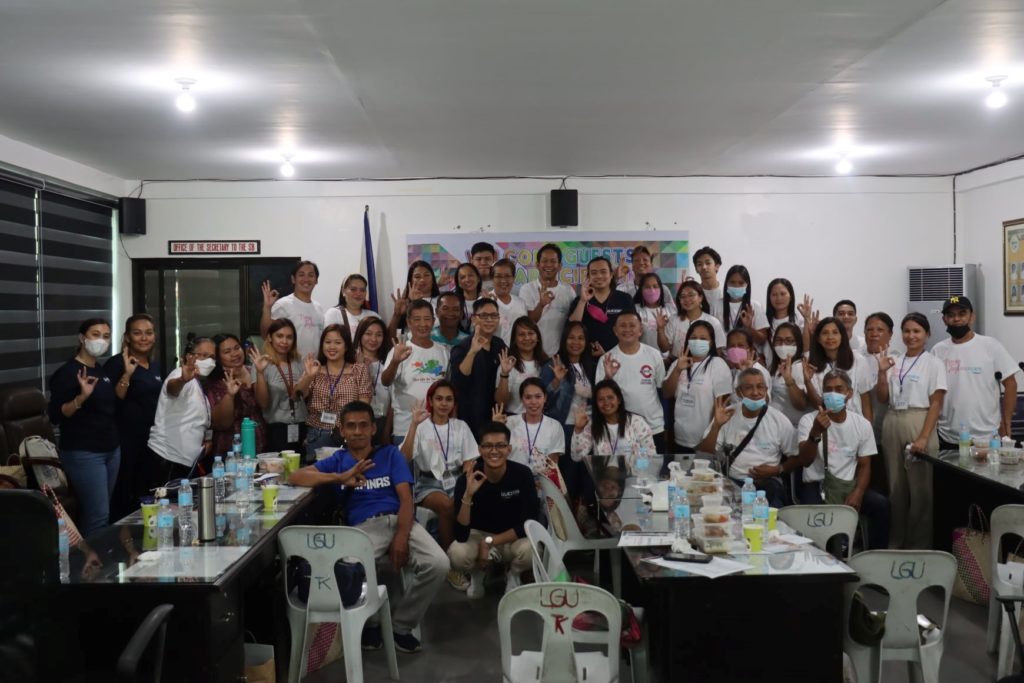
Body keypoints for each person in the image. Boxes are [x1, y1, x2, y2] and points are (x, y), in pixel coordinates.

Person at [289, 401, 448, 654]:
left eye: (364, 425)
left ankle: (400, 626)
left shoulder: (390, 455)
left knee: (439, 564)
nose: (357, 431)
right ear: (342, 431)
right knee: (349, 570)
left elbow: (406, 499)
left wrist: (401, 537)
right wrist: (339, 478)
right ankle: (372, 622)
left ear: (373, 428)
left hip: (399, 519)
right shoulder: (338, 461)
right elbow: (295, 476)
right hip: (364, 528)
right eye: (351, 426)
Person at [795, 370, 890, 550]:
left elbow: (864, 465)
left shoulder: (862, 424)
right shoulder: (808, 421)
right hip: (817, 486)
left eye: (839, 389)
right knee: (821, 529)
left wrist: (858, 492)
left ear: (849, 393)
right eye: (828, 389)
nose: (833, 394)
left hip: (848, 487)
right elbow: (805, 461)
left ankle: (875, 556)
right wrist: (815, 432)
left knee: (881, 505)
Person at [876, 313, 947, 549]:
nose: (911, 336)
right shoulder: (894, 361)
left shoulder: (933, 363)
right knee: (896, 489)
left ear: (927, 334)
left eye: (917, 331)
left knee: (921, 492)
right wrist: (881, 373)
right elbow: (883, 397)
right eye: (907, 331)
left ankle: (919, 546)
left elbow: (936, 402)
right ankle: (897, 544)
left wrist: (924, 436)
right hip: (893, 420)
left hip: (920, 420)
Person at [399, 380, 479, 589]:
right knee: (446, 505)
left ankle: (472, 556)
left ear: (454, 403)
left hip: (457, 478)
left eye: (449, 399)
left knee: (471, 499)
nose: (444, 404)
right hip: (428, 481)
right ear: (431, 402)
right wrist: (413, 426)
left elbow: (470, 459)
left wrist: (465, 481)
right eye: (439, 399)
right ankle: (450, 563)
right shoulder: (421, 425)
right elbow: (403, 458)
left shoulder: (461, 426)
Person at [449, 421, 540, 598]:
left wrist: (490, 542)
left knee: (532, 549)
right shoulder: (467, 478)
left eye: (500, 445)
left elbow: (530, 522)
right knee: (457, 553)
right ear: (480, 450)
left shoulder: (522, 474)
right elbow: (460, 534)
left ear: (509, 449)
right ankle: (477, 573)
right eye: (488, 446)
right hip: (477, 536)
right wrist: (468, 495)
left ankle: (513, 574)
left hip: (510, 537)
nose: (494, 451)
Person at [48, 318, 119, 534]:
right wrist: (81, 398)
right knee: (98, 516)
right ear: (82, 338)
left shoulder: (100, 369)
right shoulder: (68, 373)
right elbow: (57, 415)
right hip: (85, 453)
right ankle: (92, 565)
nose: (101, 340)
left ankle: (97, 561)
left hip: (111, 449)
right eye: (95, 335)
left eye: (106, 336)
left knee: (104, 511)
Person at [696, 368, 798, 507]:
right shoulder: (728, 414)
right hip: (733, 483)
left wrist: (777, 469)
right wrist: (716, 426)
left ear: (766, 389)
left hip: (767, 485)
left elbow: (797, 457)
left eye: (760, 387)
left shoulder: (779, 419)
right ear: (739, 392)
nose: (755, 392)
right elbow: (704, 454)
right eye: (748, 388)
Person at [932, 296, 1019, 447]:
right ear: (944, 320)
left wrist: (1006, 422)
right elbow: (933, 394)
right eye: (951, 315)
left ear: (972, 317)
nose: (956, 319)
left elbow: (1010, 384)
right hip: (947, 436)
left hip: (987, 437)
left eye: (962, 314)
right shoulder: (937, 351)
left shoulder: (991, 346)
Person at [105, 313, 162, 519]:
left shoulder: (153, 365)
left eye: (148, 333)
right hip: (125, 440)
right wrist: (127, 374)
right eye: (137, 333)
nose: (144, 338)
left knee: (145, 493)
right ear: (127, 337)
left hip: (150, 440)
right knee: (124, 496)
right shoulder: (117, 363)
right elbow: (114, 398)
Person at [539, 321, 596, 500]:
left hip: (588, 429)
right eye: (571, 337)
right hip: (564, 429)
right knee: (567, 482)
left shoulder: (592, 365)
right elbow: (543, 401)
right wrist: (557, 381)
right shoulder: (553, 364)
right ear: (564, 340)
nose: (576, 342)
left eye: (580, 338)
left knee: (587, 481)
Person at [149, 335, 215, 481]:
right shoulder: (179, 374)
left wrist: (207, 440)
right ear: (189, 357)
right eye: (204, 355)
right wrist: (182, 380)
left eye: (212, 356)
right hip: (168, 456)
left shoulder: (198, 384)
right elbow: (172, 388)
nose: (209, 361)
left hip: (186, 460)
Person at [382, 300, 449, 444]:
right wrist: (395, 361)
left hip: (436, 427)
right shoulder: (399, 349)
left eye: (427, 319)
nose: (422, 324)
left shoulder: (443, 351)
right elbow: (385, 381)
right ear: (408, 322)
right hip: (405, 427)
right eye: (417, 319)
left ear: (433, 321)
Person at [595, 311, 667, 445]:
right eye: (622, 325)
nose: (627, 329)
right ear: (615, 331)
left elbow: (662, 388)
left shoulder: (654, 355)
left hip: (653, 427)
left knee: (648, 465)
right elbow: (600, 397)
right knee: (626, 466)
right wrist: (608, 377)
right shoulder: (606, 359)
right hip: (621, 430)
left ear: (640, 330)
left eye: (632, 325)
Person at [664, 321, 732, 457]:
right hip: (679, 437)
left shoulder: (717, 364)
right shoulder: (679, 362)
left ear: (711, 342)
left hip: (705, 440)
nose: (697, 341)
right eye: (693, 338)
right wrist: (677, 369)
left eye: (703, 338)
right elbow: (666, 393)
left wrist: (711, 436)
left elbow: (722, 404)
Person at [303, 324, 373, 459]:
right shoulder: (315, 369)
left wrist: (347, 427)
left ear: (346, 346)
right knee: (319, 477)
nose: (332, 347)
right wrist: (309, 376)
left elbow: (364, 406)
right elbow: (298, 395)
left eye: (338, 342)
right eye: (327, 342)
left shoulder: (359, 370)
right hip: (317, 433)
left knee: (349, 475)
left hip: (349, 434)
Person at [449, 298, 506, 438]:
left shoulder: (500, 345)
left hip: (494, 418)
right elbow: (458, 383)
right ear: (474, 319)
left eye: (494, 316)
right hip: (469, 420)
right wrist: (473, 352)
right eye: (484, 316)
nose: (489, 320)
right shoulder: (462, 347)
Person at [257, 319, 315, 453]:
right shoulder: (262, 363)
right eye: (279, 336)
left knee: (301, 468)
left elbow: (301, 396)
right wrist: (260, 372)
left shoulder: (298, 361)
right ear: (270, 337)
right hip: (276, 428)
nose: (284, 341)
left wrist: (308, 377)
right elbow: (262, 403)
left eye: (289, 337)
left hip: (300, 424)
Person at [205, 334, 269, 456]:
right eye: (227, 351)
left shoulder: (253, 370)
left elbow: (264, 403)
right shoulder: (216, 383)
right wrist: (230, 395)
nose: (235, 354)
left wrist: (260, 373)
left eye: (237, 348)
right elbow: (222, 423)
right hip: (232, 451)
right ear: (218, 358)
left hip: (261, 446)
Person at [803, 317, 875, 421]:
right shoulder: (812, 365)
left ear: (842, 336)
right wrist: (807, 382)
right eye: (825, 333)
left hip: (855, 421)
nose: (830, 337)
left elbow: (865, 398)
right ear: (818, 338)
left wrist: (869, 427)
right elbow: (817, 404)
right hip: (825, 421)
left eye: (835, 332)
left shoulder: (858, 360)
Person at [571, 379, 657, 462]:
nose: (606, 402)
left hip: (635, 474)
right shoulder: (592, 424)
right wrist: (578, 429)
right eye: (601, 399)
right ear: (596, 403)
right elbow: (577, 457)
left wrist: (635, 473)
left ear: (619, 399)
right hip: (605, 475)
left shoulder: (636, 422)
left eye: (610, 397)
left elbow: (650, 454)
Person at [497, 378, 566, 475]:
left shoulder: (554, 426)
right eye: (528, 397)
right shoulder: (508, 423)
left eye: (538, 397)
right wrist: (496, 428)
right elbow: (498, 455)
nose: (533, 402)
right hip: (512, 479)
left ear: (545, 398)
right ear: (521, 399)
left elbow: (553, 464)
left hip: (542, 483)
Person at [569, 256, 636, 355]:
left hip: (619, 358)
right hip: (587, 359)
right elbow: (571, 328)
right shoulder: (580, 300)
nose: (599, 276)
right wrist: (583, 301)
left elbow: (633, 329)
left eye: (603, 271)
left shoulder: (625, 299)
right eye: (594, 273)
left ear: (611, 274)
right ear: (588, 277)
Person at [520, 243, 576, 357]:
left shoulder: (568, 290)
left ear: (559, 266)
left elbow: (573, 324)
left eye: (553, 261)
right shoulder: (527, 289)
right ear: (537, 264)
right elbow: (527, 323)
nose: (549, 265)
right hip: (534, 354)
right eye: (545, 261)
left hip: (562, 355)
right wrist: (541, 304)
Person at [260, 260, 325, 357]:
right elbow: (266, 335)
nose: (306, 279)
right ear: (293, 279)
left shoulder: (318, 308)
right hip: (289, 368)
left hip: (312, 368)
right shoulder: (283, 304)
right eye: (301, 275)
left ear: (316, 280)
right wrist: (267, 308)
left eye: (311, 275)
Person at [495, 317, 548, 415]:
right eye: (521, 334)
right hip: (514, 421)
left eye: (531, 333)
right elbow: (501, 403)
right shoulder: (507, 364)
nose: (527, 338)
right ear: (514, 339)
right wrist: (504, 374)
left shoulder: (546, 364)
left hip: (541, 422)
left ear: (538, 337)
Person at [354, 317, 393, 445]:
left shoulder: (388, 362)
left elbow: (393, 400)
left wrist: (387, 430)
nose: (373, 339)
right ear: (360, 334)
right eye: (368, 334)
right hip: (357, 422)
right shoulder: (350, 362)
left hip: (383, 420)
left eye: (379, 335)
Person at [663, 280, 727, 355]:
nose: (687, 299)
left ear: (700, 297)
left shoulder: (712, 322)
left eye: (691, 295)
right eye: (683, 296)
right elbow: (664, 348)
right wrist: (660, 329)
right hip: (678, 363)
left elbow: (718, 349)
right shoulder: (674, 319)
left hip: (704, 364)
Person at [768, 323, 809, 426]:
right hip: (776, 426)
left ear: (798, 344)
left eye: (789, 341)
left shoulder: (799, 367)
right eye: (779, 340)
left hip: (794, 427)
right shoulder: (773, 368)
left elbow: (801, 405)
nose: (783, 345)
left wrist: (789, 380)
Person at [388, 260, 441, 340]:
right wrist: (397, 314)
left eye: (426, 275)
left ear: (433, 278)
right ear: (411, 281)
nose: (422, 280)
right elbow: (390, 337)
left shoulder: (442, 301)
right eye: (417, 277)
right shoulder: (404, 303)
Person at [616, 245, 676, 313]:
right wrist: (616, 279)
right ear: (632, 266)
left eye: (645, 260)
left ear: (651, 265)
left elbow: (673, 313)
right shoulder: (622, 289)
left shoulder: (663, 289)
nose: (641, 263)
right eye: (637, 260)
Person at [720, 264, 769, 345]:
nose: (736, 286)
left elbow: (762, 340)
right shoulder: (716, 305)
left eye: (741, 283)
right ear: (726, 283)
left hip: (748, 356)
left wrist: (749, 328)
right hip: (723, 356)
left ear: (747, 285)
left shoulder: (755, 306)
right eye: (732, 282)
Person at [764, 278, 804, 364]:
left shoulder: (799, 319)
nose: (778, 298)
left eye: (783, 294)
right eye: (774, 295)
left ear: (791, 296)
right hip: (771, 370)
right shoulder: (764, 321)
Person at [490, 258, 528, 345]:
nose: (503, 280)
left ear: (513, 278)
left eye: (507, 276)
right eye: (498, 276)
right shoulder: (484, 301)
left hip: (517, 355)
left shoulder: (521, 303)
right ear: (492, 278)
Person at [633, 272, 673, 351]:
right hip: (643, 357)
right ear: (641, 290)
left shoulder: (670, 309)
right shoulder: (635, 310)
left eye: (655, 286)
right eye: (647, 287)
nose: (652, 290)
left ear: (661, 289)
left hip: (667, 359)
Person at [692, 246, 724, 319]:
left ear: (717, 266)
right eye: (699, 264)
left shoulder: (726, 290)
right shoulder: (694, 293)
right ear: (696, 269)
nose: (704, 267)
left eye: (708, 263)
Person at [453, 262, 484, 331]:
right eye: (462, 277)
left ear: (478, 278)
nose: (467, 279)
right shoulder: (454, 302)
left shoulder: (485, 299)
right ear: (459, 283)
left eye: (470, 275)